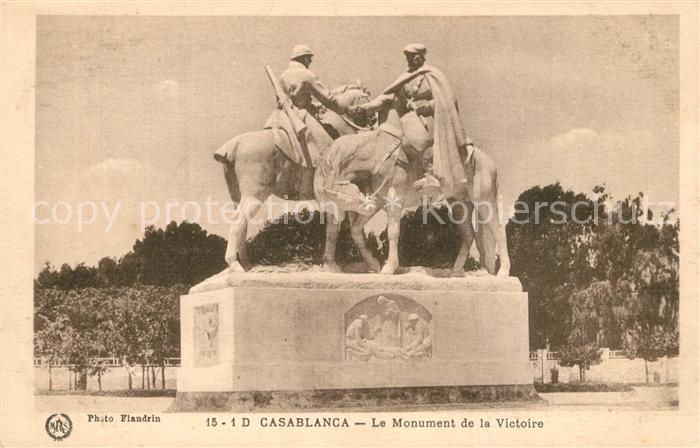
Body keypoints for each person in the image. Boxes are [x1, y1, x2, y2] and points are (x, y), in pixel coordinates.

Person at [351, 43, 474, 197]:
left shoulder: (433, 75)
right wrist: (366, 107)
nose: (410, 60)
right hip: (410, 120)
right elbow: (387, 98)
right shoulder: (406, 78)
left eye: (413, 57)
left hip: (432, 119)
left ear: (420, 57)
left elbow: (447, 100)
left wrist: (428, 106)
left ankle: (431, 174)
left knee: (416, 138)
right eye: (408, 57)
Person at [264, 44, 350, 167]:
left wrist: (314, 105)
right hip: (300, 117)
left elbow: (288, 99)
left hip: (280, 117)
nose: (310, 61)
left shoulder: (283, 76)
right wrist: (346, 109)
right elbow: (328, 99)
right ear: (304, 58)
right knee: (329, 151)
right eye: (309, 58)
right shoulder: (306, 74)